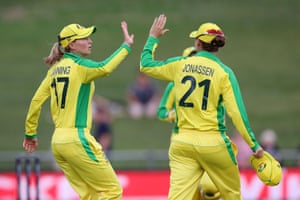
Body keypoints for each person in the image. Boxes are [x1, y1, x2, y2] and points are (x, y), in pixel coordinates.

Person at [140, 14, 264, 200]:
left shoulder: (180, 64)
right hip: (213, 143)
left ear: (198, 43)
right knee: (230, 194)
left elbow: (146, 65)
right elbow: (237, 114)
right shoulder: (225, 73)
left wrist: (153, 38)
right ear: (218, 46)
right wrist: (253, 144)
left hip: (182, 143)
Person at [23, 21, 134, 199]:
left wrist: (30, 133)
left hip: (58, 142)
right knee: (112, 191)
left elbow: (36, 101)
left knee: (90, 195)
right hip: (77, 138)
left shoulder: (54, 70)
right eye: (85, 38)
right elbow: (105, 67)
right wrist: (126, 46)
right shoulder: (80, 66)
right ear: (71, 44)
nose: (90, 41)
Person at [157, 46, 220, 200]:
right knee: (188, 192)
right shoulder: (174, 84)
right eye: (191, 57)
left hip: (206, 138)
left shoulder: (210, 81)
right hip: (183, 139)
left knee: (210, 187)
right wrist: (173, 115)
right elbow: (161, 111)